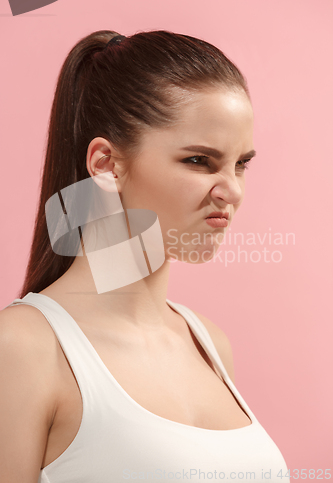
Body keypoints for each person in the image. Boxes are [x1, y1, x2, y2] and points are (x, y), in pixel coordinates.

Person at [0, 30, 290, 483]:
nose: (232, 190)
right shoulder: (23, 349)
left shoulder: (209, 344)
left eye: (241, 164)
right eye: (199, 161)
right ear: (105, 164)